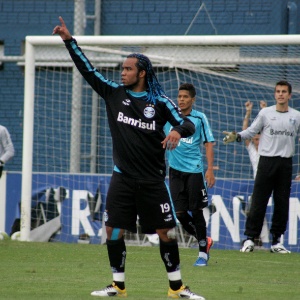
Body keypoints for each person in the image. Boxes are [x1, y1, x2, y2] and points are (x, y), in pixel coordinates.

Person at [53, 17, 206, 300]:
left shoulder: (160, 101)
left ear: (142, 73)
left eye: (128, 69)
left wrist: (174, 130)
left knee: (167, 233)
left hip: (152, 180)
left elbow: (189, 125)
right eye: (122, 68)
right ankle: (118, 286)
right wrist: (68, 41)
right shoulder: (114, 94)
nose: (123, 72)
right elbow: (87, 70)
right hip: (121, 177)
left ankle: (177, 288)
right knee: (112, 230)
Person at [223, 80, 300, 254]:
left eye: (284, 92)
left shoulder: (296, 115)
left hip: (285, 164)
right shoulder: (266, 113)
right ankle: (249, 239)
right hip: (266, 162)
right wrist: (237, 137)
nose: (280, 94)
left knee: (281, 204)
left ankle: (276, 242)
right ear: (275, 94)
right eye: (278, 91)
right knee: (258, 202)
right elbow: (251, 131)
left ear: (289, 95)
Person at [164, 83, 215, 267]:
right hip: (175, 171)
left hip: (194, 171)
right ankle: (204, 239)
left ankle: (202, 252)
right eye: (179, 96)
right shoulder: (170, 117)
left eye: (185, 97)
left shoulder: (199, 118)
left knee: (197, 210)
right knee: (180, 213)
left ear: (192, 100)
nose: (181, 100)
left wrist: (209, 169)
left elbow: (209, 142)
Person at [242, 100, 269, 247]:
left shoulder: (268, 149)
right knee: (254, 211)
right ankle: (255, 238)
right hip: (257, 185)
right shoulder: (252, 151)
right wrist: (248, 112)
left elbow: (265, 129)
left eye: (259, 138)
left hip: (269, 182)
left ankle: (268, 239)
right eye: (255, 139)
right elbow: (245, 130)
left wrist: (263, 110)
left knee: (260, 211)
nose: (256, 141)